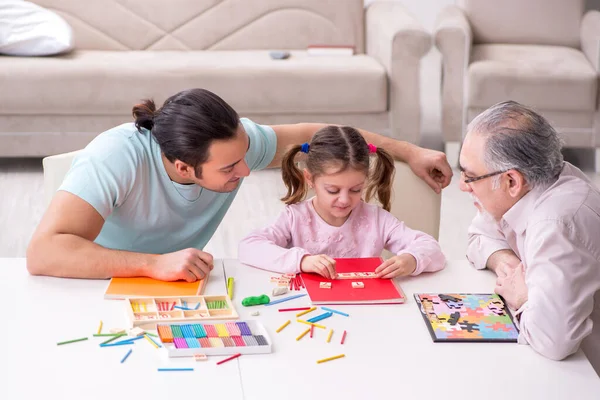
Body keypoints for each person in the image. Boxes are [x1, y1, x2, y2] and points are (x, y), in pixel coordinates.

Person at [26, 88, 452, 282]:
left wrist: (410, 151)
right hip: (97, 287)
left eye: (246, 155)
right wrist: (152, 264)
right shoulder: (114, 157)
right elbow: (44, 252)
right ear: (183, 167)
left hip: (184, 287)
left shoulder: (237, 146)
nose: (247, 171)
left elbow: (320, 134)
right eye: (231, 166)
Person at [460, 100, 600, 374]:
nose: (462, 186)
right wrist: (510, 266)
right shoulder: (535, 186)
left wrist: (523, 296)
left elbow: (553, 341)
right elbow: (478, 237)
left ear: (512, 181)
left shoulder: (555, 225)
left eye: (470, 177)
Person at [238, 125, 446, 278]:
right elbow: (248, 247)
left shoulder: (376, 219)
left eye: (356, 189)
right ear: (310, 179)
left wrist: (411, 259)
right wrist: (302, 261)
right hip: (307, 311)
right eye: (333, 190)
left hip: (366, 311)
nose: (345, 200)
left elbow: (432, 248)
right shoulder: (296, 217)